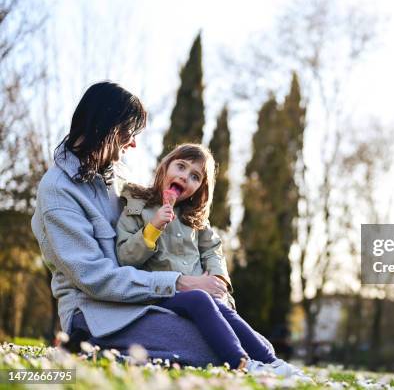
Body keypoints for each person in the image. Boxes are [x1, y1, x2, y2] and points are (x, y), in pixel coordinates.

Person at [30, 82, 267, 367]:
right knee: (209, 348)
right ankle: (89, 344)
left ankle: (264, 360)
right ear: (106, 128)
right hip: (96, 312)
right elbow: (95, 278)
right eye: (129, 134)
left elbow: (201, 238)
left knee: (242, 339)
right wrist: (180, 283)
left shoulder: (119, 185)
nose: (133, 144)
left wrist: (213, 278)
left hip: (138, 302)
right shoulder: (58, 190)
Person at [115, 143, 309, 379]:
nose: (185, 177)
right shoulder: (137, 206)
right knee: (199, 298)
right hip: (159, 293)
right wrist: (152, 228)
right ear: (165, 167)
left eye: (194, 176)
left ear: (200, 188)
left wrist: (217, 279)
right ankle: (240, 363)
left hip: (201, 294)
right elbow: (125, 258)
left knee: (216, 305)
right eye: (181, 167)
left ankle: (272, 362)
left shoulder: (194, 219)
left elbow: (212, 249)